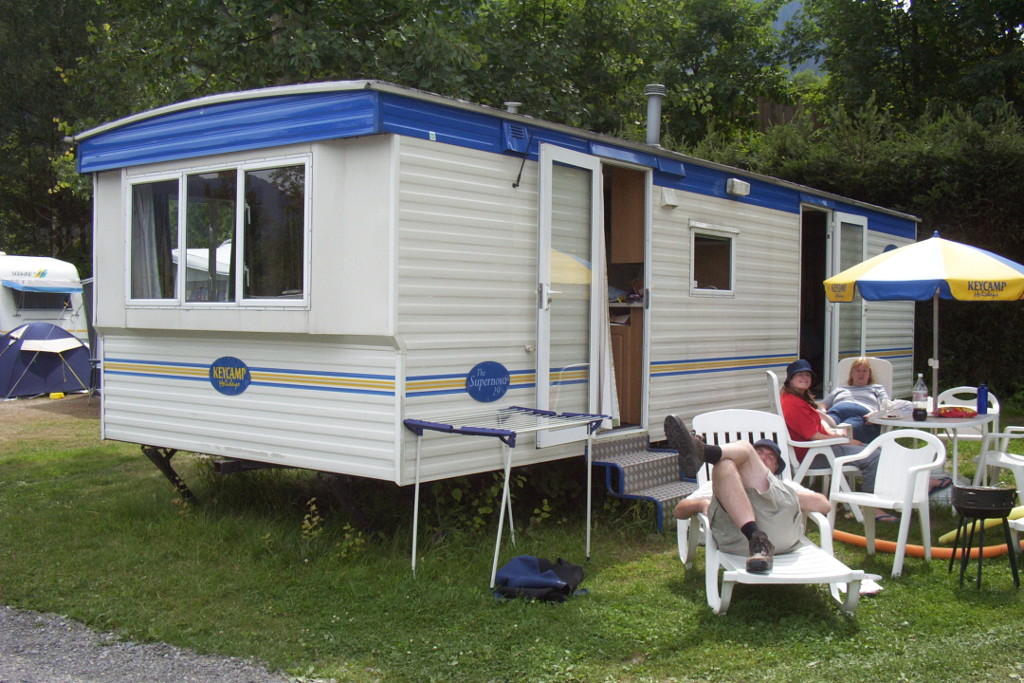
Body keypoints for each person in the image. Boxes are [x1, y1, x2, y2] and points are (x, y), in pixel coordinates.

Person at [666, 415, 830, 573]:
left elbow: (824, 505)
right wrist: (705, 504)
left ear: (776, 468)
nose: (763, 457)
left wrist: (772, 493)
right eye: (758, 452)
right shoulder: (719, 481)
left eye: (770, 456)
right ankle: (757, 539)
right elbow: (679, 511)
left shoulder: (785, 486)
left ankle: (703, 452)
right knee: (723, 464)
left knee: (743, 447)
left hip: (780, 533)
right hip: (737, 541)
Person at [779, 358, 880, 493]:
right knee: (873, 456)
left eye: (807, 375)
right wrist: (847, 441)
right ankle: (874, 508)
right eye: (800, 375)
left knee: (877, 450)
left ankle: (884, 496)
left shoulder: (796, 399)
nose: (805, 378)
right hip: (814, 454)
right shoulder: (793, 404)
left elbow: (817, 423)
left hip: (821, 449)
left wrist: (832, 433)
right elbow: (815, 437)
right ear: (790, 379)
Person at [820, 357, 887, 443]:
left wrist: (875, 413)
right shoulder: (840, 389)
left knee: (849, 425)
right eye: (858, 371)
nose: (861, 374)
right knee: (826, 421)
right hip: (837, 412)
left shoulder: (877, 388)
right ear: (851, 373)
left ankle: (837, 435)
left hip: (860, 415)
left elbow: (886, 406)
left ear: (869, 374)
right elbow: (822, 404)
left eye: (864, 371)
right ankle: (833, 433)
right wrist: (822, 410)